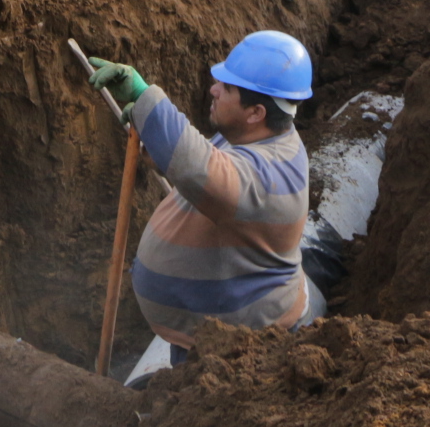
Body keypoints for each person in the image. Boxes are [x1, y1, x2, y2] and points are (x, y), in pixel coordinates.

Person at [85, 31, 318, 365]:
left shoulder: (272, 179)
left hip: (235, 353)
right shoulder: (253, 136)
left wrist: (143, 96)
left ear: (255, 112)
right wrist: (157, 143)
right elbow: (205, 165)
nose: (214, 90)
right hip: (205, 335)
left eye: (227, 88)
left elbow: (200, 169)